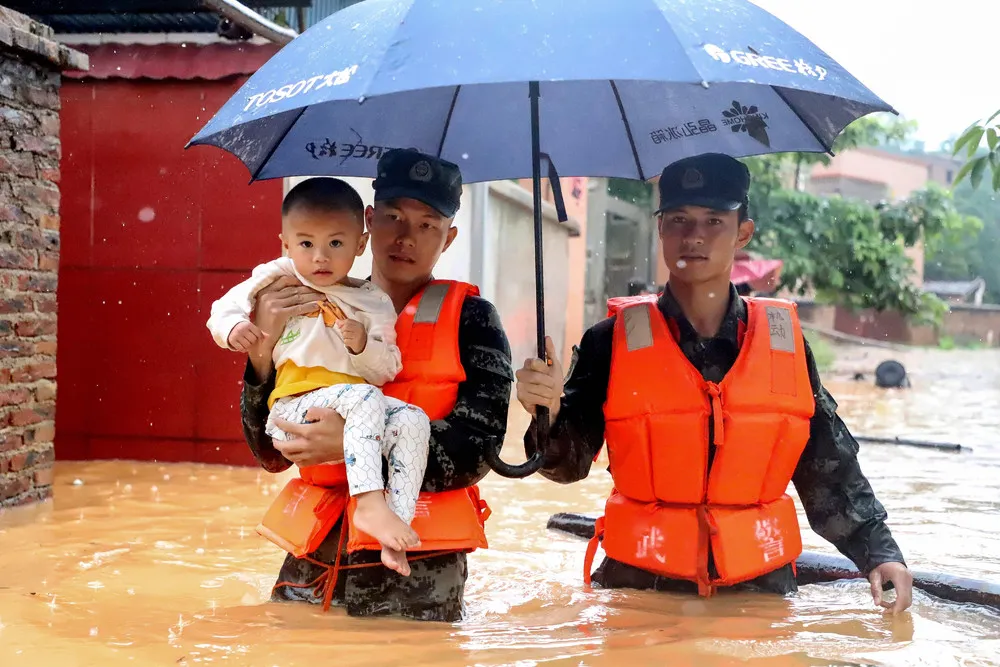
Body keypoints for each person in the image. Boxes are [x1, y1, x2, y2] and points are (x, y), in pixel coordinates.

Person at [515, 153, 914, 614]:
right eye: (680, 219)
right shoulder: (610, 342)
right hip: (638, 595)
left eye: (714, 221)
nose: (695, 235)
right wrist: (545, 411)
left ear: (743, 232)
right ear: (661, 227)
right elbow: (564, 467)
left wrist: (879, 553)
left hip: (758, 593)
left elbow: (828, 464)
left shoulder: (784, 346)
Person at [238, 148, 513, 622]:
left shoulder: (473, 321)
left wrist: (351, 443)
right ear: (368, 223)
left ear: (448, 238)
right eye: (393, 217)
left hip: (417, 580)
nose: (405, 237)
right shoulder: (309, 302)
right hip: (313, 569)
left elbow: (478, 449)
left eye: (427, 225)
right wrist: (259, 354)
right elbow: (265, 451)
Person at [207, 177, 429, 576]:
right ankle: (371, 503)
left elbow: (387, 368)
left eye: (336, 244)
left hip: (355, 406)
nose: (320, 257)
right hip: (294, 409)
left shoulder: (372, 302)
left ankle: (393, 529)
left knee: (414, 420)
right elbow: (224, 307)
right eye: (306, 244)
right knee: (366, 399)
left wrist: (363, 346)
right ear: (286, 244)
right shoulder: (276, 278)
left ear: (360, 245)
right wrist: (235, 328)